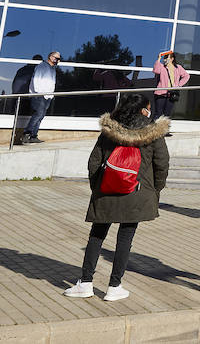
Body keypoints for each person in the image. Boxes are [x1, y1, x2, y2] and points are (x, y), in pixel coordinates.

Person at [62, 93, 169, 301]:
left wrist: (97, 187)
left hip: (106, 191)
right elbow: (162, 164)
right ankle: (114, 287)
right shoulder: (153, 133)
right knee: (125, 239)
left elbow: (94, 162)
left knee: (96, 236)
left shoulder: (110, 130)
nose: (150, 111)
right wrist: (155, 190)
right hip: (136, 193)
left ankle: (85, 283)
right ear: (143, 110)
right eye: (148, 108)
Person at [20, 50, 61, 144]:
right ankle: (26, 134)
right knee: (38, 114)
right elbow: (36, 80)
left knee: (41, 116)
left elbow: (52, 83)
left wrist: (51, 95)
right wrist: (39, 93)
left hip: (48, 96)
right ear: (51, 57)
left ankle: (33, 136)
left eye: (59, 59)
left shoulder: (53, 69)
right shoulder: (42, 66)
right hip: (39, 95)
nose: (58, 60)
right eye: (57, 58)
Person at [151, 51, 189, 123]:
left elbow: (186, 76)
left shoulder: (178, 68)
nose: (165, 59)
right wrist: (159, 58)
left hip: (171, 94)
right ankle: (155, 128)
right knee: (158, 114)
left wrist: (178, 85)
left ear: (172, 59)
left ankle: (164, 129)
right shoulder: (162, 67)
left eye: (167, 58)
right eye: (164, 58)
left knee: (167, 114)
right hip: (160, 93)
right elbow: (156, 70)